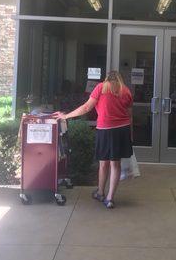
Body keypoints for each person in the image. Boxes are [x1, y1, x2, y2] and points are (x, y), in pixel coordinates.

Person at [54, 71, 133, 209]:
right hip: (122, 130)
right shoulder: (126, 91)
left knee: (103, 164)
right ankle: (110, 199)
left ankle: (100, 192)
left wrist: (66, 116)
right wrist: (131, 134)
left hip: (105, 130)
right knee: (116, 165)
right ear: (120, 79)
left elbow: (86, 107)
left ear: (107, 79)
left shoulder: (101, 87)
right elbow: (129, 114)